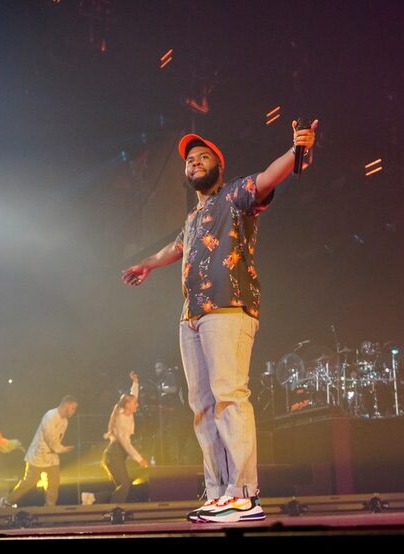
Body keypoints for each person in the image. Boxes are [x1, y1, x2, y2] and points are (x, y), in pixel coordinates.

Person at [121, 120, 318, 522]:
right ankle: (217, 493)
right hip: (191, 316)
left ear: (218, 167)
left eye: (202, 157)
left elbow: (269, 176)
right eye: (190, 160)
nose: (194, 162)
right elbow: (175, 248)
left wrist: (297, 151)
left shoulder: (236, 195)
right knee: (202, 406)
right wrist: (148, 264)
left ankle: (244, 494)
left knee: (230, 395)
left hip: (229, 308)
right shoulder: (193, 216)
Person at [0, 395, 79, 507]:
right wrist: (62, 449)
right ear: (66, 405)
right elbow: (50, 438)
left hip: (51, 457)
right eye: (73, 408)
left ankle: (50, 507)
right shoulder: (50, 416)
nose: (74, 411)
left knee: (54, 482)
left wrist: (59, 449)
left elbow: (57, 440)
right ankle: (7, 500)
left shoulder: (64, 421)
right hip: (38, 456)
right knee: (29, 482)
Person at [103, 371, 149, 504]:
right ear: (127, 404)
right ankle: (113, 510)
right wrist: (139, 459)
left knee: (121, 486)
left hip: (117, 454)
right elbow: (126, 444)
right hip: (114, 454)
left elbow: (133, 396)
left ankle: (93, 498)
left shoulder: (128, 410)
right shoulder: (121, 419)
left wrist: (135, 382)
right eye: (135, 403)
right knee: (125, 485)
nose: (137, 404)